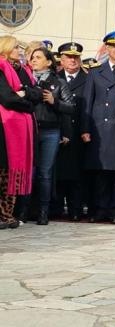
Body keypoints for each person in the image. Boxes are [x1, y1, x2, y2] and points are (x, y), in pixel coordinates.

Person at [81, 31, 115, 224]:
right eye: (114, 47)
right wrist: (85, 129)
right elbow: (88, 103)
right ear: (107, 49)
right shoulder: (95, 72)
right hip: (100, 129)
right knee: (100, 172)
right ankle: (99, 209)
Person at [24, 47, 76, 225]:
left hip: (50, 131)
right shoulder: (26, 80)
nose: (34, 60)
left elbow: (71, 107)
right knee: (28, 173)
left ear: (48, 61)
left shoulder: (59, 82)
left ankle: (43, 212)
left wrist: (55, 102)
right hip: (29, 129)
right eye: (32, 57)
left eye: (38, 57)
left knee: (45, 173)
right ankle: (24, 211)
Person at [0, 35, 37, 229]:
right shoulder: (1, 68)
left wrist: (24, 97)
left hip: (12, 127)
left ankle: (7, 214)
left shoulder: (18, 70)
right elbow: (7, 98)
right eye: (15, 47)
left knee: (8, 172)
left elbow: (32, 92)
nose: (19, 51)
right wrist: (26, 102)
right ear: (6, 49)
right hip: (4, 126)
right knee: (3, 172)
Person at [53, 42, 89, 222]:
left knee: (77, 173)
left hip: (79, 131)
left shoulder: (88, 77)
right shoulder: (54, 78)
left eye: (76, 57)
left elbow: (89, 107)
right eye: (69, 57)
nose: (73, 60)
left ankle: (76, 208)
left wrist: (85, 129)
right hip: (59, 129)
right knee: (58, 171)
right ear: (62, 59)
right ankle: (57, 207)